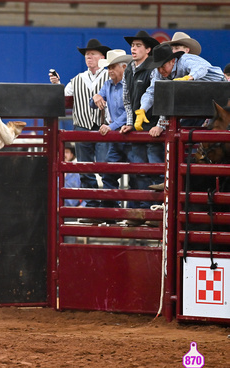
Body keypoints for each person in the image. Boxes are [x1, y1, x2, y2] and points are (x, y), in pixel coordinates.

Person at [49, 38, 110, 209]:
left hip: (103, 126)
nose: (88, 57)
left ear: (102, 57)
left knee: (104, 166)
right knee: (85, 168)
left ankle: (107, 201)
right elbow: (64, 94)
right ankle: (91, 202)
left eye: (92, 54)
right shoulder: (78, 78)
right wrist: (56, 85)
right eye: (87, 55)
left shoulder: (109, 75)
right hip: (82, 126)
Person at [119, 30, 160, 226]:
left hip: (152, 128)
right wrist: (129, 122)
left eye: (138, 46)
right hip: (138, 128)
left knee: (155, 169)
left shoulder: (154, 68)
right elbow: (127, 100)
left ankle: (156, 210)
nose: (133, 49)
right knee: (140, 170)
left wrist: (160, 124)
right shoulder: (129, 70)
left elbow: (157, 97)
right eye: (132, 45)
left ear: (148, 49)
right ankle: (145, 211)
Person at [88, 49, 132, 218]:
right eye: (108, 68)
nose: (110, 71)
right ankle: (110, 211)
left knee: (138, 175)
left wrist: (111, 126)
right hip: (117, 136)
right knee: (109, 174)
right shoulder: (108, 85)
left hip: (129, 136)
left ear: (123, 67)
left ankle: (134, 213)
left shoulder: (129, 84)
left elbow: (130, 111)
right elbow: (94, 103)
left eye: (113, 67)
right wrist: (96, 96)